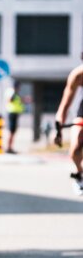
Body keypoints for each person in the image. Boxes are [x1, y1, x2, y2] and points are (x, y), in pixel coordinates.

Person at [55, 64, 83, 195]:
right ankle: (79, 173)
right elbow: (65, 104)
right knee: (76, 148)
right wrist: (58, 127)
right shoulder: (78, 74)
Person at [6, 80, 25, 154]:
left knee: (13, 131)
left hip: (15, 114)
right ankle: (8, 147)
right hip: (12, 114)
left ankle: (10, 147)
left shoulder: (16, 94)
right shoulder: (13, 93)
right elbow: (10, 100)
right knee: (11, 131)